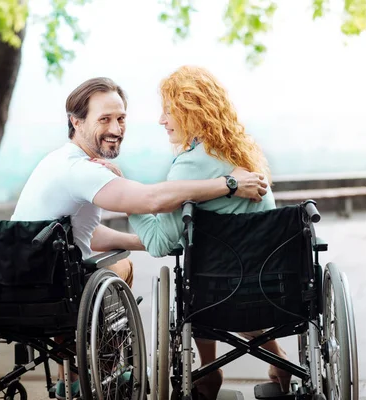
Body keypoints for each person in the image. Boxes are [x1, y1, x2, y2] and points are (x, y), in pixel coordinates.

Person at [10, 76, 270, 399]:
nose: (116, 128)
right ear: (75, 122)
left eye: (121, 119)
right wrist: (228, 184)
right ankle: (102, 370)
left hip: (15, 282)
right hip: (53, 289)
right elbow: (150, 201)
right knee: (120, 270)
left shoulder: (55, 162)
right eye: (104, 119)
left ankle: (77, 372)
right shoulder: (84, 170)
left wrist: (139, 242)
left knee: (113, 262)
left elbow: (87, 236)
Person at [124, 66, 291, 399]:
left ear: (191, 111)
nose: (161, 120)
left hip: (216, 293)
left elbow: (160, 243)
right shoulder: (243, 155)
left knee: (202, 279)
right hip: (272, 286)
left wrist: (129, 202)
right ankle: (279, 360)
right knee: (231, 276)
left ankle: (209, 369)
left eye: (168, 111)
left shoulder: (190, 166)